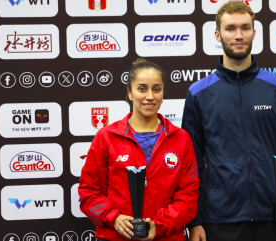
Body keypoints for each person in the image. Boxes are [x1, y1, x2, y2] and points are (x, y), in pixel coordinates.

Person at [182, 2, 276, 241]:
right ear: (217, 35)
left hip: (275, 218)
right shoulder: (199, 94)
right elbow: (191, 162)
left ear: (254, 32)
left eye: (245, 28)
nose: (239, 35)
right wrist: (195, 220)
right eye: (230, 29)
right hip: (220, 221)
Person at [79, 59, 199, 241]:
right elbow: (89, 192)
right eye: (142, 89)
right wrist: (114, 218)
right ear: (129, 92)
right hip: (115, 237)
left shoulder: (181, 139)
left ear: (163, 93)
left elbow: (188, 197)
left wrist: (158, 226)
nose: (150, 96)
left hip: (166, 236)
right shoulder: (107, 137)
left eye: (156, 89)